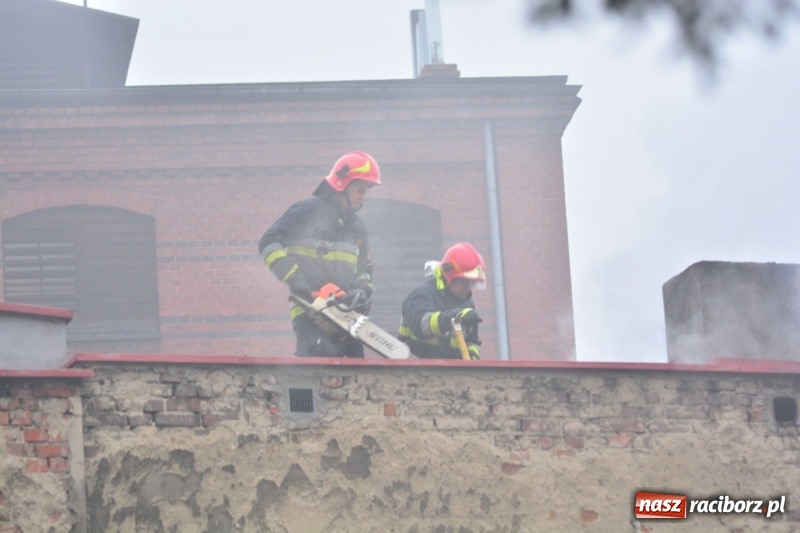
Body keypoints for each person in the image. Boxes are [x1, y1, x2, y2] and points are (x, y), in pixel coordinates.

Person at [258, 151, 380, 357]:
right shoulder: (305, 212)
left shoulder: (358, 228)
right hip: (309, 310)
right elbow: (269, 242)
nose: (363, 197)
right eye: (360, 190)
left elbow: (365, 269)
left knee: (357, 372)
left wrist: (361, 291)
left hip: (346, 315)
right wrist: (298, 283)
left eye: (366, 191)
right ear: (342, 185)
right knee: (318, 367)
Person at [398, 242, 486, 360]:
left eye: (472, 283)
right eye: (465, 282)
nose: (468, 288)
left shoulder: (468, 304)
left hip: (450, 373)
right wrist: (453, 317)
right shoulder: (423, 294)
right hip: (414, 368)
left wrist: (473, 358)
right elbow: (421, 326)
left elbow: (472, 342)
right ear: (450, 276)